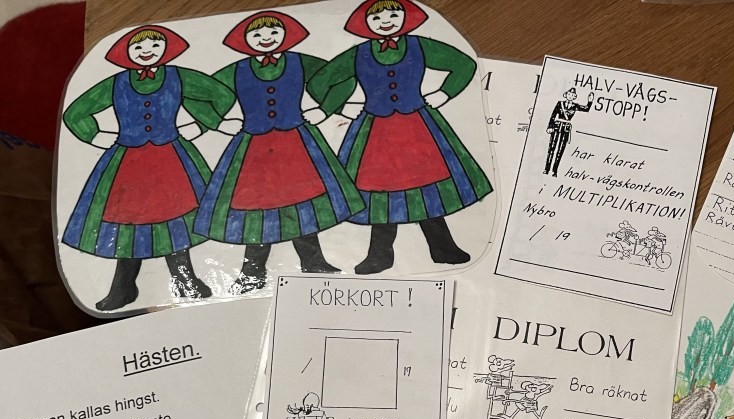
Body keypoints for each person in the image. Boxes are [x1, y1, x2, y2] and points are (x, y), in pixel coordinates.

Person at [307, 0, 493, 274]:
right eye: (377, 17)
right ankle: (379, 255)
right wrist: (338, 107)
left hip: (417, 126)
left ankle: (443, 248)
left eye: (393, 14)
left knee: (427, 184)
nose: (386, 20)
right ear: (365, 23)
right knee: (379, 190)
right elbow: (320, 81)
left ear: (405, 17)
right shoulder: (358, 54)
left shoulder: (420, 46)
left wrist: (445, 93)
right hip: (375, 131)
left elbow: (464, 64)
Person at [62, 25, 234, 311]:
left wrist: (203, 124)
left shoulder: (178, 76)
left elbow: (221, 95)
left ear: (165, 49)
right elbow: (75, 113)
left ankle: (185, 280)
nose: (147, 52)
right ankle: (123, 288)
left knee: (176, 216)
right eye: (139, 47)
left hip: (171, 158)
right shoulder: (116, 83)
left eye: (154, 46)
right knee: (128, 221)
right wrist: (96, 136)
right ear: (127, 53)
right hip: (128, 163)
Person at [193, 12, 365, 294]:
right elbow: (201, 94)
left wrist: (325, 108)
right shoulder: (236, 70)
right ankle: (252, 273)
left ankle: (314, 262)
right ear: (246, 40)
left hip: (296, 141)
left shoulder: (299, 62)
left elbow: (339, 76)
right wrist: (217, 122)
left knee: (303, 201)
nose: (266, 39)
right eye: (257, 35)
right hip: (254, 148)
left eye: (273, 33)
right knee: (255, 206)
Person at [544, 87, 593, 177]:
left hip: (566, 128)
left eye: (572, 95)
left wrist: (590, 101)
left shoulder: (575, 106)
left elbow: (586, 109)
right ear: (566, 95)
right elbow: (553, 115)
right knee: (551, 148)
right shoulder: (560, 104)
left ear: (574, 97)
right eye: (569, 94)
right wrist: (550, 126)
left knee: (560, 150)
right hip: (557, 126)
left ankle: (554, 171)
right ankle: (546, 169)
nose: (570, 96)